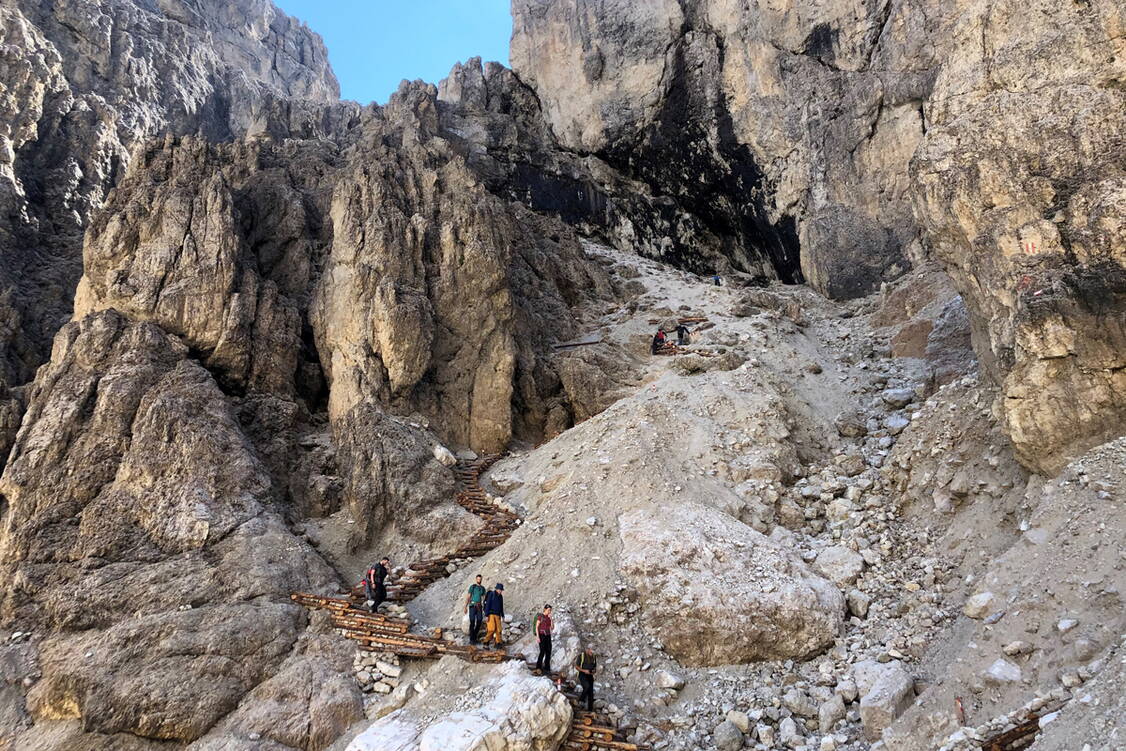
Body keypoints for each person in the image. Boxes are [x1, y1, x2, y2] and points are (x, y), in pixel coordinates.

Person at [464, 574, 486, 644]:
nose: (479, 580)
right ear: (476, 579)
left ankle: (474, 636)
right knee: (472, 622)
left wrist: (485, 607)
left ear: (481, 579)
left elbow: (484, 598)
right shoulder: (472, 587)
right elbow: (468, 596)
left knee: (479, 621)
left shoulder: (482, 588)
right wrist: (465, 606)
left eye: (480, 579)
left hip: (479, 606)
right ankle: (472, 639)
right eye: (478, 579)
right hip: (472, 606)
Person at [534, 604, 554, 673]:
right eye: (548, 610)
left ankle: (547, 667)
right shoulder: (540, 617)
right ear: (545, 609)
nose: (549, 611)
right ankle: (538, 667)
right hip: (541, 635)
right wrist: (537, 637)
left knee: (548, 651)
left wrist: (551, 619)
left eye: (550, 610)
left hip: (548, 635)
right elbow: (537, 627)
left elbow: (552, 628)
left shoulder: (549, 618)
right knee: (542, 651)